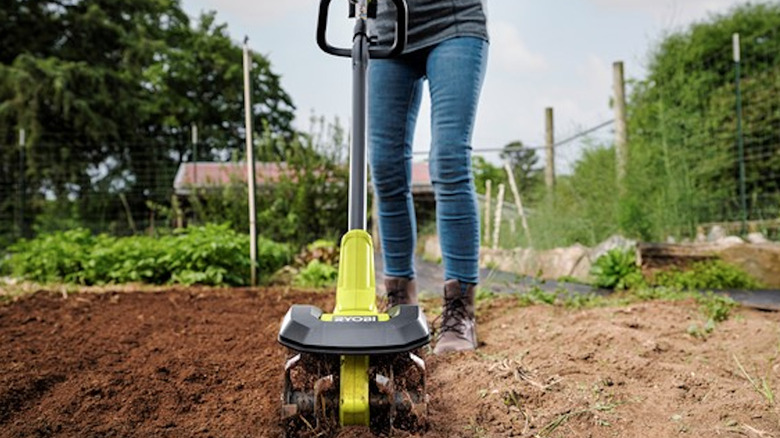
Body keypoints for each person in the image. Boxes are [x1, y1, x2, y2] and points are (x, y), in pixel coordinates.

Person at [369, 0, 489, 354]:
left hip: (452, 20)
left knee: (449, 159)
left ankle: (459, 308)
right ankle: (400, 305)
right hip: (388, 30)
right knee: (385, 166)